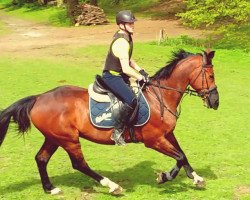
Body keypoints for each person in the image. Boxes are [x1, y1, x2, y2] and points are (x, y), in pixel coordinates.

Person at [102, 10, 150, 145]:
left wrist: (141, 69)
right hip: (112, 76)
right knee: (131, 100)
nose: (133, 25)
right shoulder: (121, 41)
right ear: (121, 25)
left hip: (119, 75)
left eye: (132, 23)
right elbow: (125, 68)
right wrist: (140, 77)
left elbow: (128, 59)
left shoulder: (126, 37)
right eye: (130, 23)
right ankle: (117, 132)